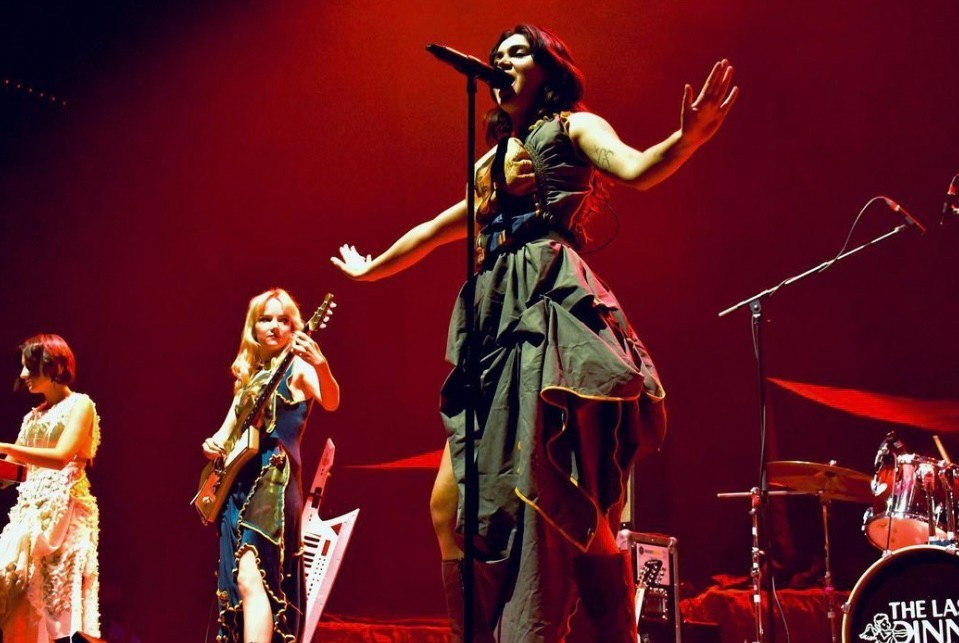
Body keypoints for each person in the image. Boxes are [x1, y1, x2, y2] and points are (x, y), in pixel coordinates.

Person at [332, 24, 737, 642]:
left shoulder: (574, 126)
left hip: (550, 310)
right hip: (493, 322)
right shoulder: (489, 164)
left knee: (562, 492)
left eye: (517, 53)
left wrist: (686, 138)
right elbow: (441, 226)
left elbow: (636, 167)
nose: (501, 63)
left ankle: (610, 631)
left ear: (547, 67)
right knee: (449, 502)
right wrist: (373, 265)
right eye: (497, 56)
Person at [202, 288, 340, 643]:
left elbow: (332, 400)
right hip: (239, 482)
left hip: (274, 482)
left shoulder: (298, 368)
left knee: (254, 575)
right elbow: (223, 436)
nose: (275, 326)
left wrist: (322, 365)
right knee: (240, 585)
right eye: (266, 318)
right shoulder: (248, 378)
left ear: (296, 327)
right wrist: (211, 445)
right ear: (253, 326)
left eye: (284, 320)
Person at [0, 334, 101, 641]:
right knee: (20, 601)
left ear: (53, 366)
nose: (22, 375)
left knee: (58, 606)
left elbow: (60, 458)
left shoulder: (80, 405)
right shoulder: (32, 417)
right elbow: (11, 472)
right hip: (30, 518)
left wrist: (4, 446)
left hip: (65, 514)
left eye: (29, 367)